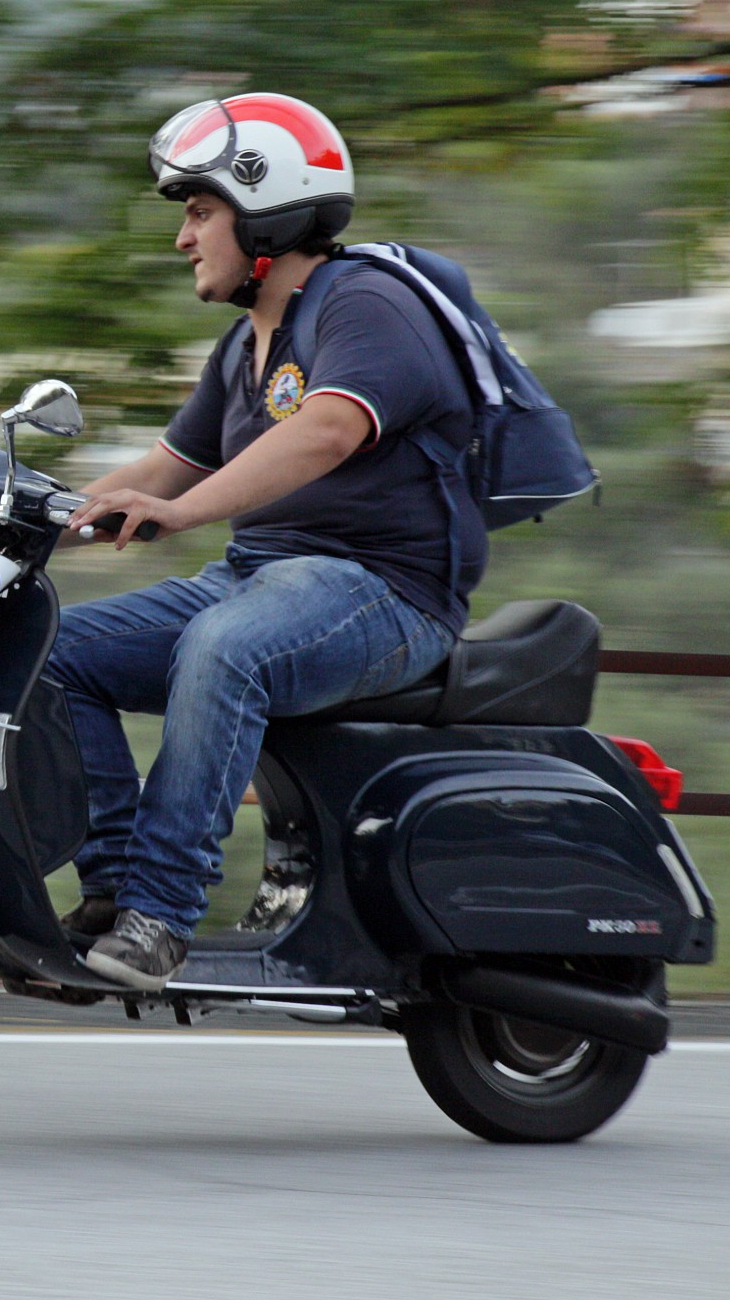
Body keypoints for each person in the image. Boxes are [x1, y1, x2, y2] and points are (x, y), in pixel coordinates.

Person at [52, 93, 484, 990]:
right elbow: (160, 469)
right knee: (48, 650)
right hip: (261, 579)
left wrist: (186, 510)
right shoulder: (242, 349)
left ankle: (158, 917)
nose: (183, 239)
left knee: (225, 648)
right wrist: (23, 524)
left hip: (382, 594)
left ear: (266, 204)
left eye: (199, 211)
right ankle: (110, 890)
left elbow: (327, 430)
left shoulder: (366, 302)